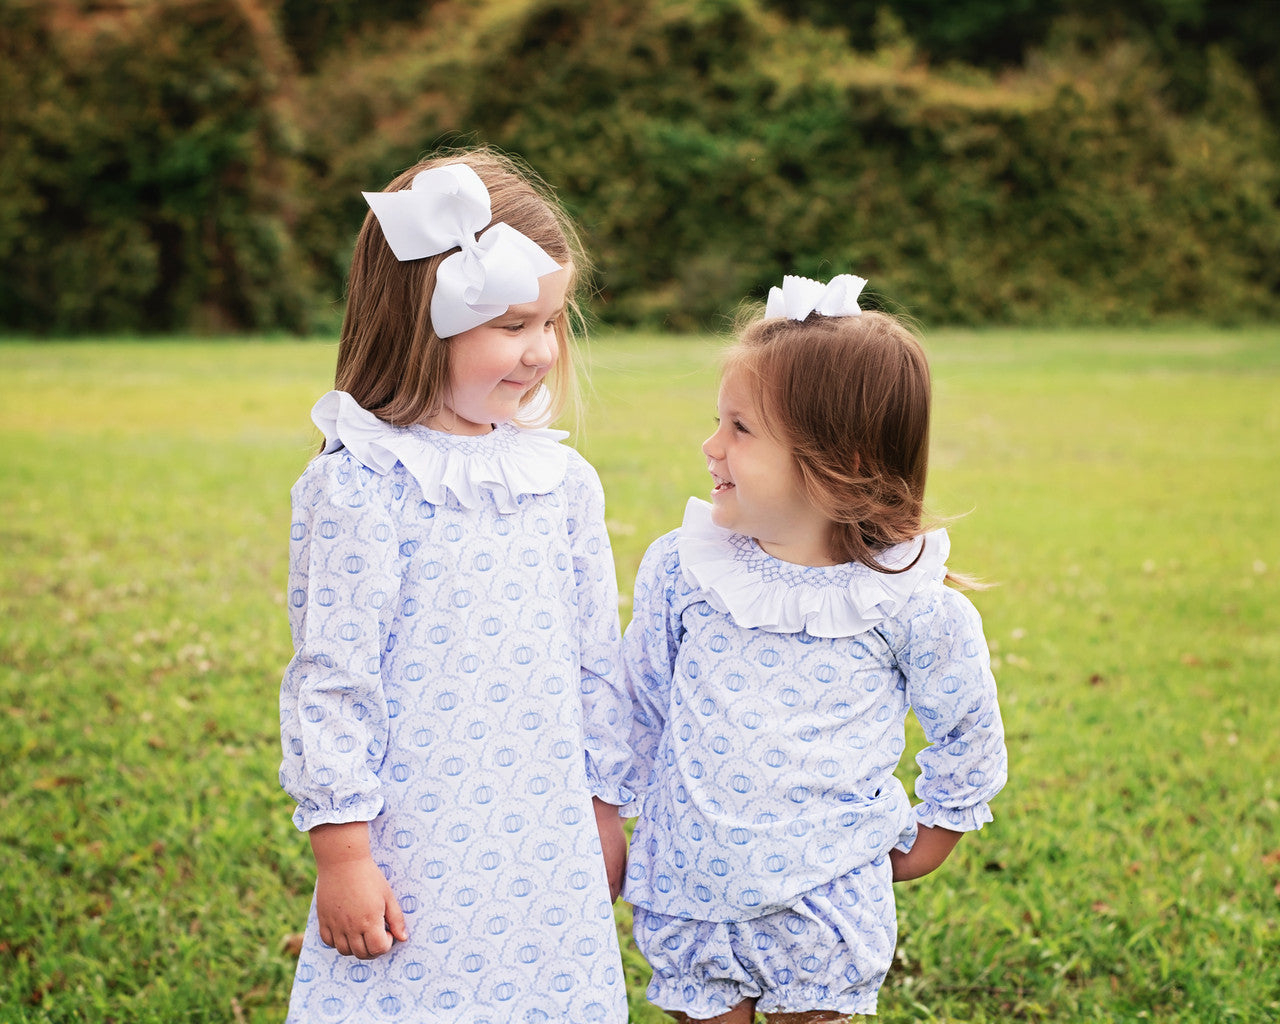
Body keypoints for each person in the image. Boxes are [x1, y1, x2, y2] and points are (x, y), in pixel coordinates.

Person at [278, 148, 633, 1024]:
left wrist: (604, 803)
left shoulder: (563, 483)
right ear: (418, 320)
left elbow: (597, 661)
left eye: (552, 321)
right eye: (512, 325)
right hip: (417, 835)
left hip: (542, 827)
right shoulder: (362, 483)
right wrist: (343, 853)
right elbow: (333, 679)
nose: (543, 352)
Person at [622, 274, 1008, 1023]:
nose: (711, 447)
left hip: (825, 903)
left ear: (835, 463)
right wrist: (614, 811)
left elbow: (968, 731)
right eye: (717, 422)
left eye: (740, 429)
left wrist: (938, 831)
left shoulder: (908, 605)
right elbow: (637, 701)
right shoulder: (685, 568)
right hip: (692, 891)